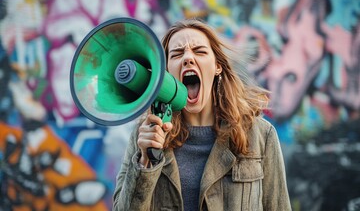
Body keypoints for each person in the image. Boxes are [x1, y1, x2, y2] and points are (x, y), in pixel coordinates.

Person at [113, 18, 291, 211]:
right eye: (177, 54)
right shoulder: (144, 136)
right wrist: (145, 161)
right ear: (166, 72)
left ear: (217, 67)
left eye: (199, 51)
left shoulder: (261, 135)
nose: (188, 58)